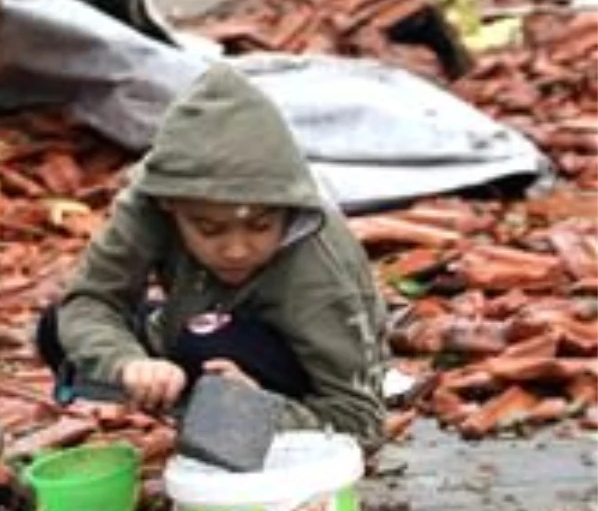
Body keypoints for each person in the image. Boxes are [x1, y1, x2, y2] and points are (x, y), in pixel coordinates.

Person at [42, 61, 388, 451]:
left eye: (260, 226)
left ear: (287, 211)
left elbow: (362, 421)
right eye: (209, 229)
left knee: (208, 345)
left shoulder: (321, 266)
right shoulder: (149, 204)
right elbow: (91, 298)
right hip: (194, 324)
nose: (236, 249)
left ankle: (229, 421)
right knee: (58, 327)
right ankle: (192, 407)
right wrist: (126, 363)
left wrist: (263, 412)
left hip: (278, 363)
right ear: (171, 207)